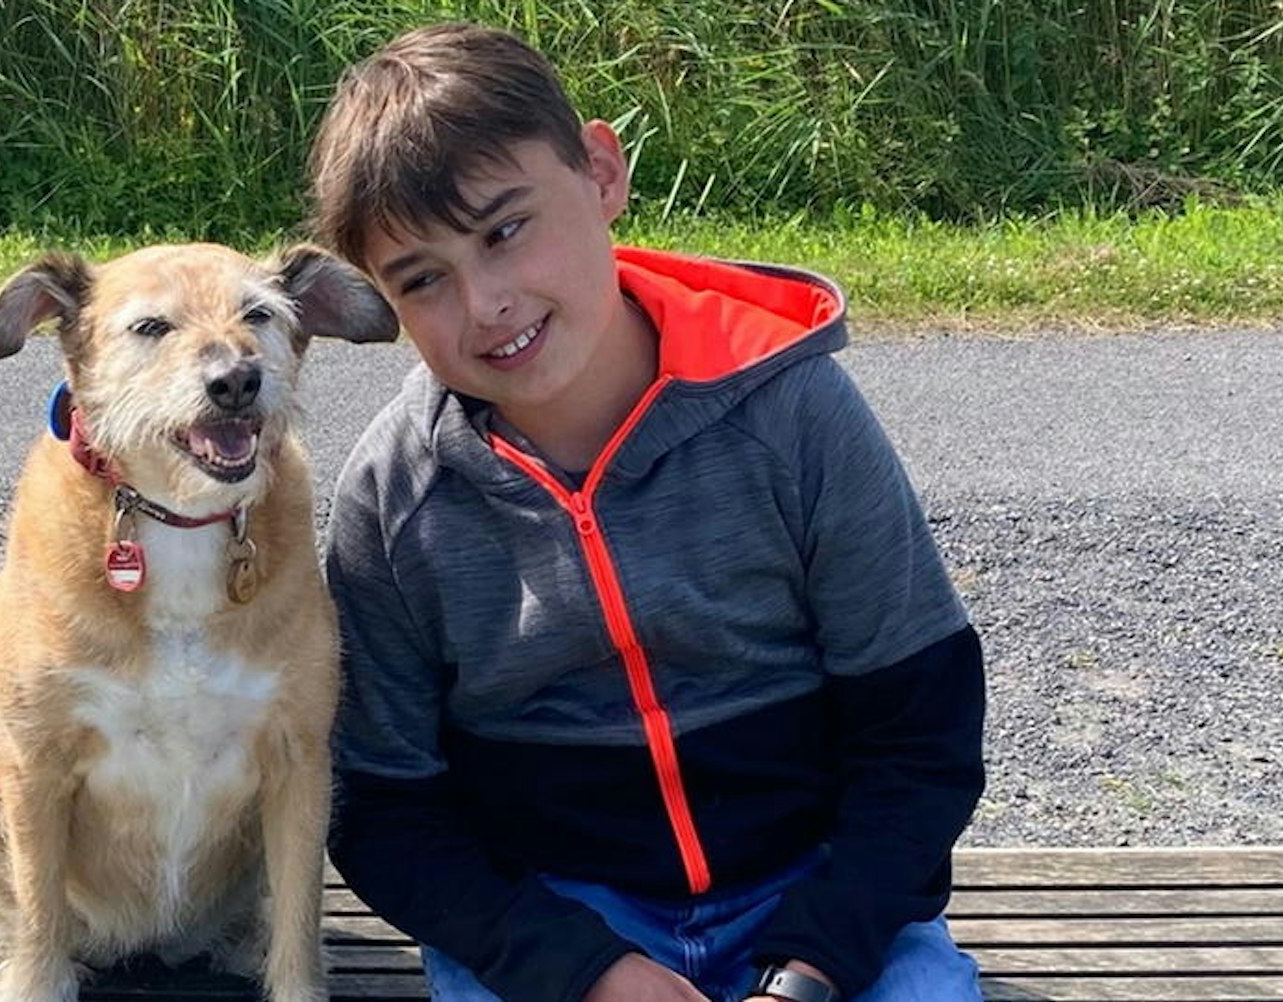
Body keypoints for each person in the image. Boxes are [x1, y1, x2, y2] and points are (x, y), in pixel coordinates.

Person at [307, 22, 987, 1002]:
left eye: (505, 230)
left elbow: (919, 733)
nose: (485, 302)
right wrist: (578, 967)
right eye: (422, 278)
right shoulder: (392, 500)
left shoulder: (792, 412)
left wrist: (812, 965)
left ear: (600, 172)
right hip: (553, 925)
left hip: (815, 898)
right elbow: (382, 806)